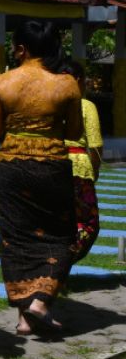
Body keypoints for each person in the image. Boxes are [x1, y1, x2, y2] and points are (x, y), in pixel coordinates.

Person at [0, 20, 83, 337]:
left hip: (12, 167)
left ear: (22, 49)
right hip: (51, 166)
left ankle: (24, 318)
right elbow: (74, 132)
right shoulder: (67, 84)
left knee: (15, 238)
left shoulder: (3, 83)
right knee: (63, 235)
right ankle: (39, 304)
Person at [57, 60, 103, 262]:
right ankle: (64, 261)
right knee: (88, 223)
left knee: (56, 221)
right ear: (77, 80)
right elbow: (95, 145)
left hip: (51, 166)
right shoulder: (86, 105)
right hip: (78, 168)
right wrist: (94, 171)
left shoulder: (48, 104)